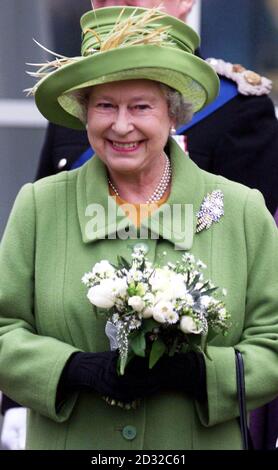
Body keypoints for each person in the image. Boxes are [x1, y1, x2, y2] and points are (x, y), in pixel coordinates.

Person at [0, 6, 277, 451]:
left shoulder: (241, 211)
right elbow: (3, 327)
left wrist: (203, 374)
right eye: (105, 105)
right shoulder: (39, 206)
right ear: (84, 113)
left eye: (141, 106)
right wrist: (69, 369)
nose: (121, 125)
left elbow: (273, 343)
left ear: (175, 115)